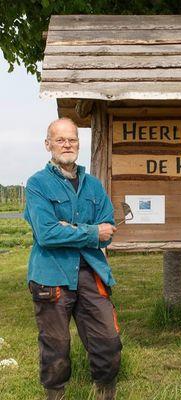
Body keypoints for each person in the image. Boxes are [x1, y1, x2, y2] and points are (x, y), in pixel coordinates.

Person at [24, 118, 121, 400]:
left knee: (108, 341)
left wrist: (71, 229)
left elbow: (109, 229)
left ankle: (105, 391)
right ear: (48, 144)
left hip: (91, 272)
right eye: (60, 139)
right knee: (56, 345)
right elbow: (46, 234)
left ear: (79, 143)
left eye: (72, 139)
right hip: (50, 275)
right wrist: (91, 233)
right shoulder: (37, 184)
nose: (67, 144)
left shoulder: (93, 185)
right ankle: (55, 394)